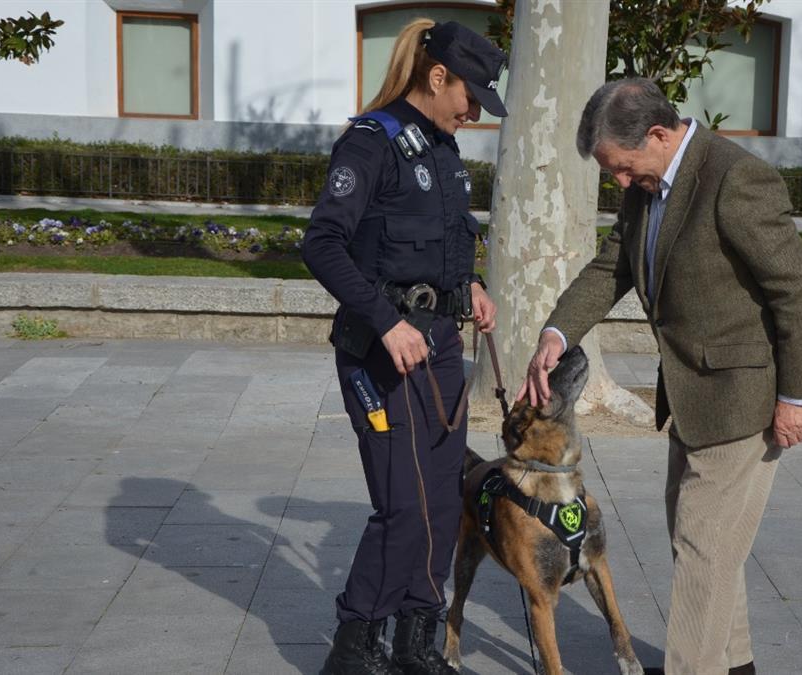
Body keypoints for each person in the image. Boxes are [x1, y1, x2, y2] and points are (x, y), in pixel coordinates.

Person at [519, 78, 802, 675]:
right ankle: (733, 666)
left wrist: (797, 396)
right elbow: (612, 267)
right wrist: (556, 335)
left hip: (743, 397)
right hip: (689, 398)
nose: (620, 182)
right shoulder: (645, 186)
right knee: (710, 547)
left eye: (624, 167)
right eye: (613, 172)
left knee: (700, 546)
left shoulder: (735, 178)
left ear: (659, 134)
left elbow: (796, 289)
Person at [302, 19, 507, 675]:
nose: (474, 112)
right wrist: (388, 321)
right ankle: (355, 644)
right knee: (403, 503)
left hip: (442, 344)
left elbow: (445, 238)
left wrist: (469, 283)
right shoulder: (370, 142)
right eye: (469, 96)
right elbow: (323, 244)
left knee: (443, 498)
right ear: (437, 75)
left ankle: (418, 639)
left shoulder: (442, 148)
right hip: (381, 349)